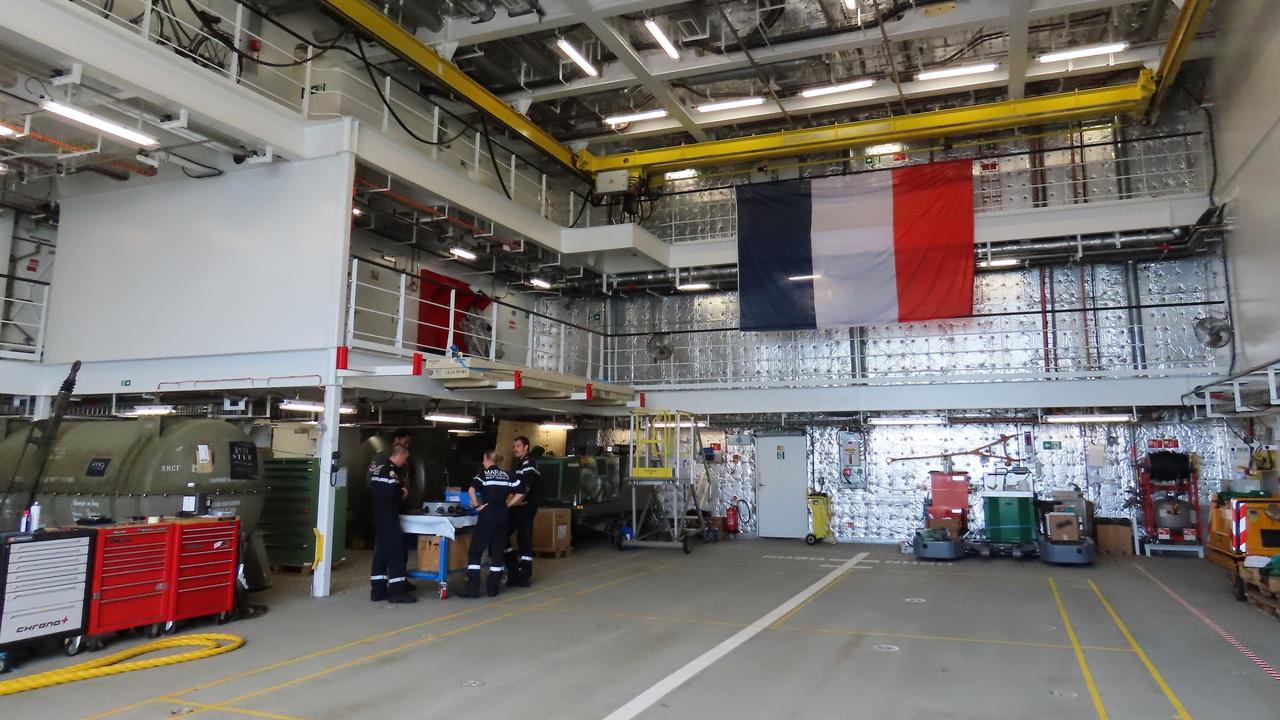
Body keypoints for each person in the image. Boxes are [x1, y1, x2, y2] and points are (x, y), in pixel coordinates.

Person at [458, 450, 525, 598]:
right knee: (497, 552)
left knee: (475, 552)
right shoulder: (507, 475)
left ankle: (473, 588)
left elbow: (471, 490)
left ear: (488, 460)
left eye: (484, 460)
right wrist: (509, 504)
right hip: (503, 513)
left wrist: (477, 506)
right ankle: (492, 588)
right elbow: (522, 491)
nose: (483, 463)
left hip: (488, 514)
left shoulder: (483, 475)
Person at [369, 444, 415, 604]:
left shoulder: (377, 470)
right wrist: (403, 492)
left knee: (381, 554)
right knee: (396, 553)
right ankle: (397, 592)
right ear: (400, 455)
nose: (405, 461)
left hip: (379, 516)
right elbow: (391, 493)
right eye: (405, 457)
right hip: (389, 517)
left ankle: (377, 590)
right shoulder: (391, 472)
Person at [505, 436, 541, 587]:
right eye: (514, 446)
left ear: (526, 447)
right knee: (504, 532)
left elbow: (524, 489)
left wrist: (510, 504)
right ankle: (514, 568)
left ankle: (524, 573)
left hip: (525, 507)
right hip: (519, 506)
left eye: (518, 446)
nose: (515, 449)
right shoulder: (520, 463)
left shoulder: (528, 463)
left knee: (524, 538)